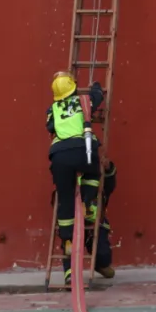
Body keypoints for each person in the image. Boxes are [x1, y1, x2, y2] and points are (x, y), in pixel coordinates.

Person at [46, 71, 114, 283]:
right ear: (73, 88)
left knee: (65, 198)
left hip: (59, 156)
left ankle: (67, 247)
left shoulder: (52, 109)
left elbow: (50, 127)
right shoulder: (84, 101)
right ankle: (88, 202)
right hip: (84, 150)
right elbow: (97, 96)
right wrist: (95, 86)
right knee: (93, 173)